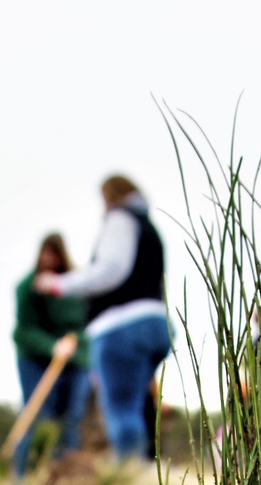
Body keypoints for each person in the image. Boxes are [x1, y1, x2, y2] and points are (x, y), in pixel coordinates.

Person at [34, 175, 170, 460]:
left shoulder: (120, 219)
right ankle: (145, 473)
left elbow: (110, 269)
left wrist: (61, 284)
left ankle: (131, 480)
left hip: (121, 327)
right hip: (156, 322)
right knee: (139, 404)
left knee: (121, 409)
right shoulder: (148, 227)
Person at [12, 233, 90, 475]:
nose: (48, 260)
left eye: (54, 254)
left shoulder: (75, 286)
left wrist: (76, 349)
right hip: (34, 359)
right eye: (45, 253)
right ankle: (24, 474)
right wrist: (51, 346)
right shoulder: (27, 288)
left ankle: (64, 476)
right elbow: (24, 330)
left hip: (74, 360)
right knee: (38, 416)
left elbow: (85, 324)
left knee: (71, 418)